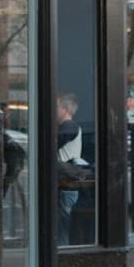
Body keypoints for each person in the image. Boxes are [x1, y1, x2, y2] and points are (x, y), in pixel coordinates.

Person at [57, 92, 82, 245]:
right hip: (66, 185)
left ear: (65, 109)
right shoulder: (70, 127)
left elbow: (53, 144)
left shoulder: (69, 126)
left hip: (65, 186)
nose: (54, 110)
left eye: (57, 107)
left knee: (61, 230)